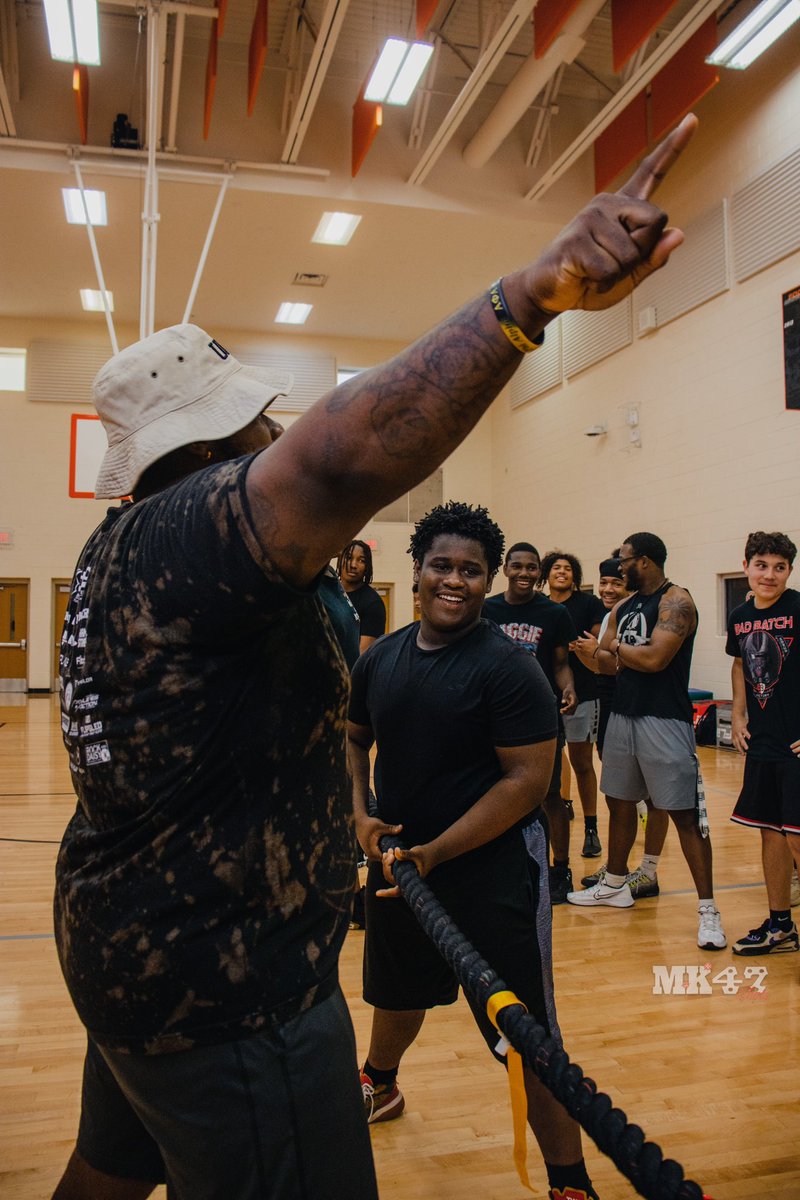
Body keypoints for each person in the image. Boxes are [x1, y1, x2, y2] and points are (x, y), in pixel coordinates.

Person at [51, 114, 699, 1200]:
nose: (273, 433)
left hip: (139, 953)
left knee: (111, 1169)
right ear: (211, 453)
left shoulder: (123, 552)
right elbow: (343, 451)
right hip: (227, 990)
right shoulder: (188, 536)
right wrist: (526, 297)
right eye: (255, 423)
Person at [349, 502, 599, 1200]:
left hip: (489, 873)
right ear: (418, 570)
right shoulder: (385, 657)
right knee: (396, 987)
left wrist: (440, 850)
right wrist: (359, 814)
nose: (454, 580)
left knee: (528, 1034)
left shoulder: (508, 669)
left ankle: (570, 1182)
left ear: (489, 581)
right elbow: (354, 737)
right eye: (442, 566)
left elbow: (529, 783)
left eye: (471, 570)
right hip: (403, 864)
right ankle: (381, 1082)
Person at [567, 533, 727, 952]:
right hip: (622, 715)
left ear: (647, 561)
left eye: (625, 561)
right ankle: (615, 884)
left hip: (665, 720)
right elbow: (605, 664)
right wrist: (596, 654)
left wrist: (615, 649)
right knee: (619, 801)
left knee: (683, 814)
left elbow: (655, 659)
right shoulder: (624, 605)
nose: (619, 568)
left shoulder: (677, 602)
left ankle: (708, 910)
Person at [482, 543, 578, 904]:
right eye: (518, 566)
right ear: (505, 569)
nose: (525, 573)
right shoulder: (488, 609)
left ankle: (560, 868)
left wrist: (568, 688)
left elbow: (560, 664)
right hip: (495, 714)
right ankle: (503, 865)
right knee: (496, 792)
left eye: (532, 568)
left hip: (541, 717)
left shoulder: (554, 613)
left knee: (551, 795)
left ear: (540, 572)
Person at [573, 554, 669, 899]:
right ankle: (617, 867)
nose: (609, 588)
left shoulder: (652, 608)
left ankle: (648, 871)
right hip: (612, 705)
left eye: (616, 581)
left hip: (653, 710)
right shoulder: (611, 613)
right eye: (605, 582)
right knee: (617, 794)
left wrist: (601, 649)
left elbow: (641, 658)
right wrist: (589, 654)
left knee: (658, 798)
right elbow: (604, 667)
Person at [727, 531, 800, 955]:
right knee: (771, 833)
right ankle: (781, 927)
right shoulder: (740, 616)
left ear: (789, 571)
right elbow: (740, 664)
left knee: (796, 837)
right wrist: (738, 715)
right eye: (762, 565)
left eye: (779, 567)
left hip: (794, 745)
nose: (769, 575)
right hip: (764, 742)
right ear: (747, 568)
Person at [539, 551, 606, 859]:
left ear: (574, 575)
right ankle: (557, 808)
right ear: (546, 574)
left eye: (567, 568)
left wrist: (579, 646)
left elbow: (595, 641)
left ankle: (591, 827)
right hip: (544, 697)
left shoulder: (588, 604)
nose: (561, 572)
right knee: (549, 763)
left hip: (584, 692)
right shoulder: (539, 606)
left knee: (582, 763)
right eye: (556, 568)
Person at [337, 539, 387, 653]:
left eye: (361, 560)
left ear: (367, 566)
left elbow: (362, 656)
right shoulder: (328, 591)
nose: (354, 565)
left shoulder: (373, 603)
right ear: (340, 560)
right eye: (349, 558)